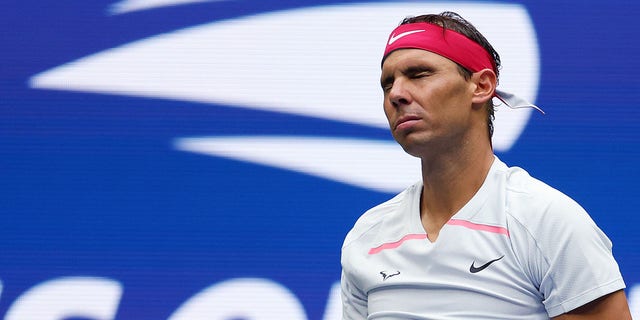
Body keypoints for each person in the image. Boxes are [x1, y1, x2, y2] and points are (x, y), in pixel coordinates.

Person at [340, 11, 631, 319]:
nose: (396, 94)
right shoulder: (367, 236)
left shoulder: (547, 221)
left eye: (419, 74)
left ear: (481, 86)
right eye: (387, 83)